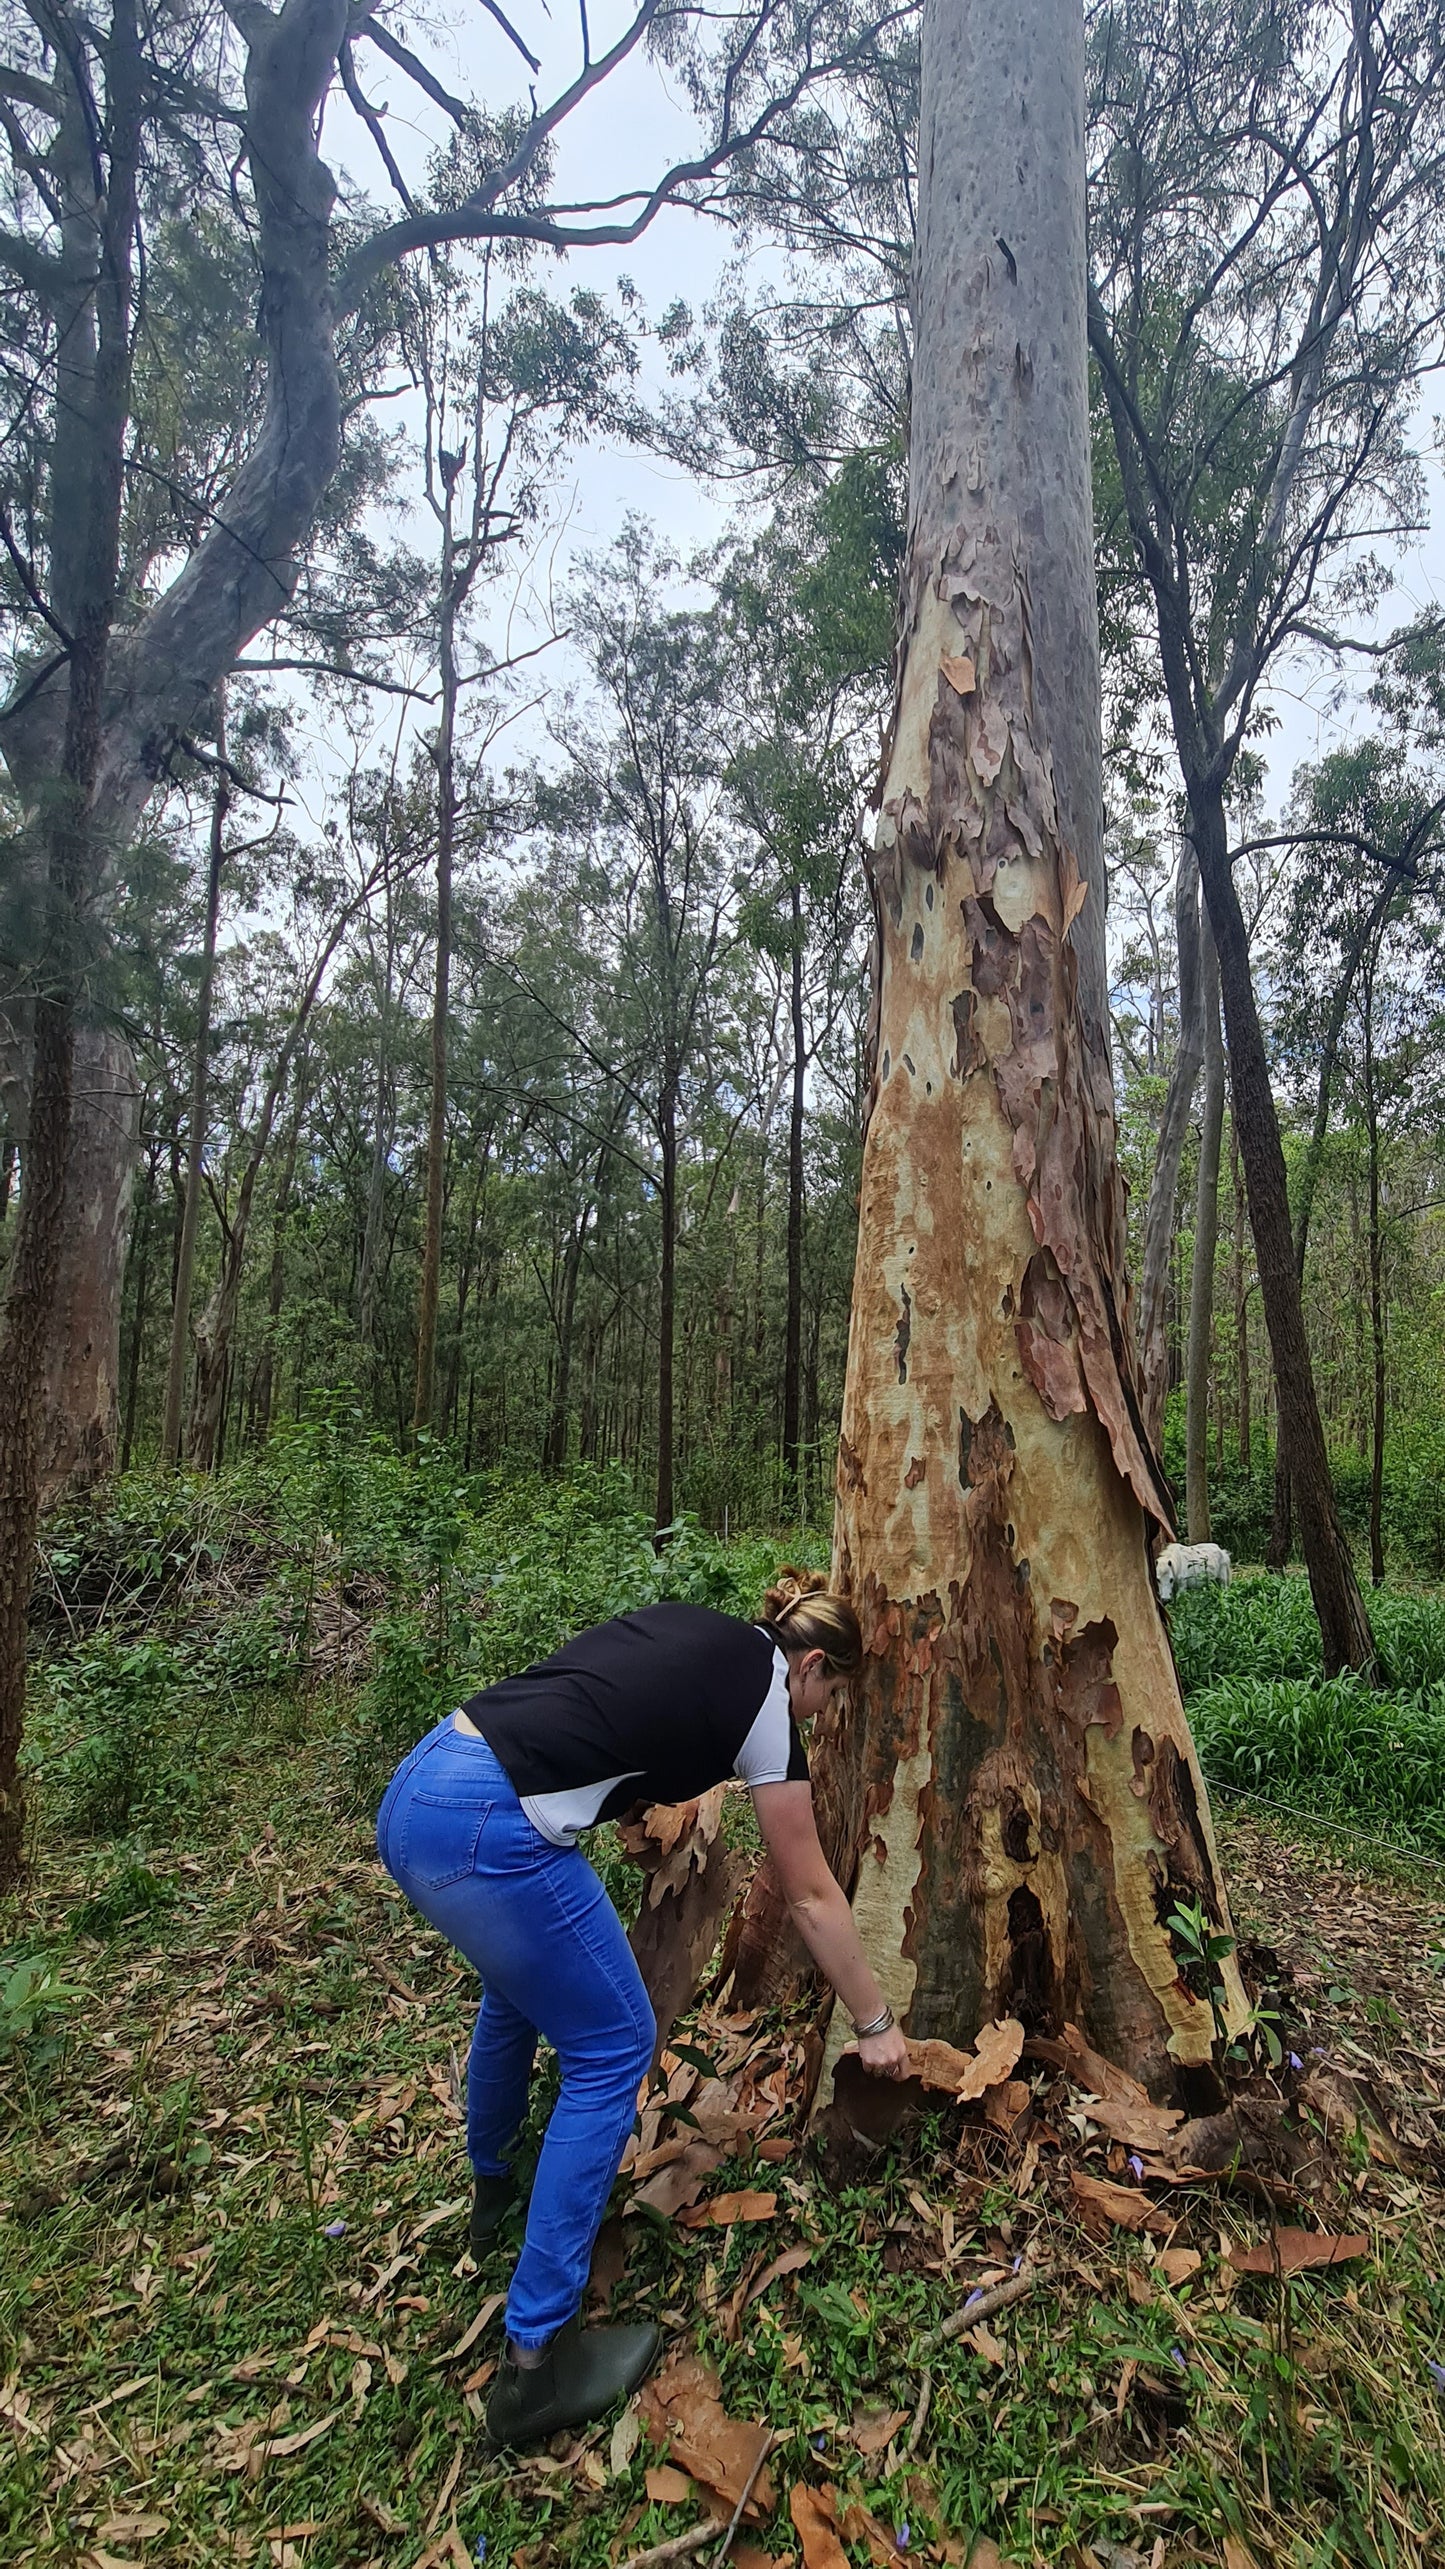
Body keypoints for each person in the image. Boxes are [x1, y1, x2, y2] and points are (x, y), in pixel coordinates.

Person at [374, 1569, 911, 2446]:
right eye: (832, 1695)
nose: (823, 1715)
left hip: (424, 1781)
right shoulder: (769, 1706)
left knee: (515, 1992)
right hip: (488, 1824)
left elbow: (617, 1707)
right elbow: (811, 1893)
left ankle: (496, 2192)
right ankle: (536, 2366)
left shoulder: (698, 1628)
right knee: (614, 2044)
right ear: (811, 1664)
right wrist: (875, 2023)